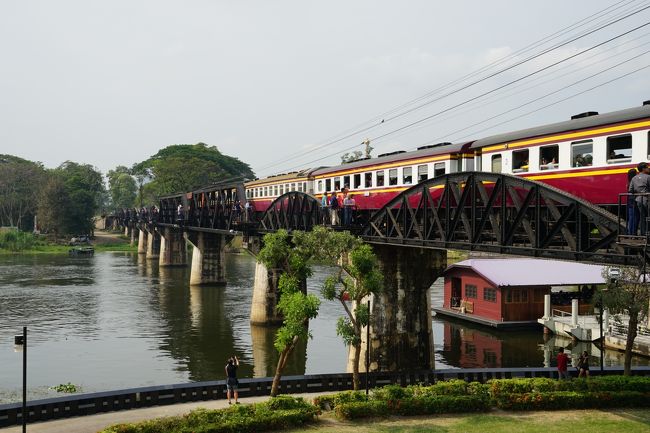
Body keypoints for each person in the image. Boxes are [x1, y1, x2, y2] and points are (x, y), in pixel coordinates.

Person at [628, 162, 650, 235]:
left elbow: (630, 190)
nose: (648, 168)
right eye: (647, 167)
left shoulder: (634, 178)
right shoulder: (648, 177)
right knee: (648, 217)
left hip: (638, 200)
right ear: (643, 169)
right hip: (647, 199)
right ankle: (648, 234)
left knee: (642, 217)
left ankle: (643, 234)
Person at [627, 168, 639, 235]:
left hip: (630, 200)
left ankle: (630, 233)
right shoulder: (634, 181)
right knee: (636, 217)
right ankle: (634, 233)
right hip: (634, 200)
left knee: (631, 217)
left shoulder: (629, 181)